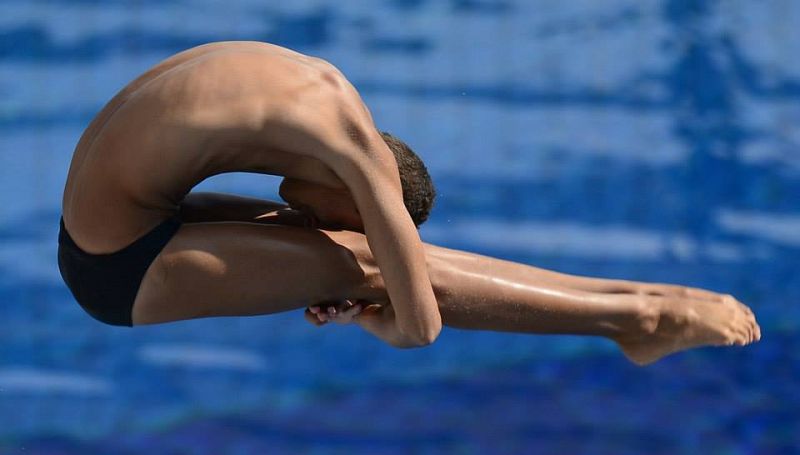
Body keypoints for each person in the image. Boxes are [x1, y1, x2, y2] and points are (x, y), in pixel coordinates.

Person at [58, 41, 760, 366]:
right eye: (339, 215)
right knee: (368, 268)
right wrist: (370, 317)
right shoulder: (350, 150)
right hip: (116, 267)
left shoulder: (318, 86)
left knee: (370, 261)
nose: (319, 223)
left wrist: (343, 271)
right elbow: (419, 324)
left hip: (121, 218)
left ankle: (643, 298)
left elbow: (412, 305)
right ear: (366, 186)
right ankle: (636, 316)